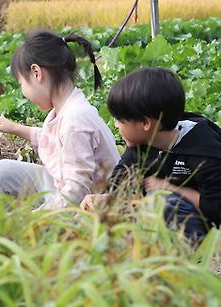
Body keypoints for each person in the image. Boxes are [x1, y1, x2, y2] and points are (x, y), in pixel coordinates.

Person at [0, 31, 120, 209]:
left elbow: (77, 192)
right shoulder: (67, 107)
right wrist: (13, 127)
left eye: (21, 83)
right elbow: (52, 139)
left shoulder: (75, 120)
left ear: (36, 73)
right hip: (65, 186)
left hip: (90, 207)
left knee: (22, 223)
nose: (23, 90)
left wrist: (35, 219)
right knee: (3, 171)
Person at [81, 67, 221, 241]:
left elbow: (215, 206)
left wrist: (169, 188)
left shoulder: (204, 149)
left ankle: (183, 251)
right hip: (159, 221)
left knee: (160, 201)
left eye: (120, 120)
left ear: (145, 123)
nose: (116, 125)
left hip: (202, 227)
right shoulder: (140, 146)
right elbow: (119, 186)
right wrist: (103, 199)